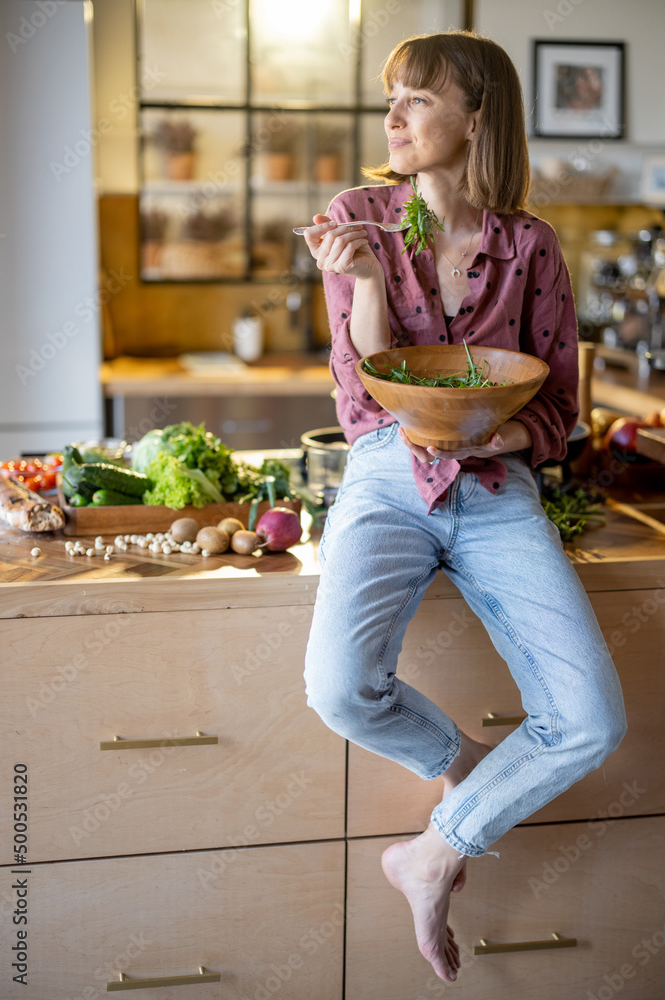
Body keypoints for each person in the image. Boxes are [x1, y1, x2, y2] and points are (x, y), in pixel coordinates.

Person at [302, 30, 627, 984]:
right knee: (336, 689)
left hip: (498, 488)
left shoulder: (531, 246)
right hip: (385, 475)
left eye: (418, 98)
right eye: (390, 97)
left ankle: (435, 852)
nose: (393, 116)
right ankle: (465, 763)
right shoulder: (357, 217)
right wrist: (362, 282)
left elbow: (561, 408)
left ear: (476, 115)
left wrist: (504, 441)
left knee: (589, 722)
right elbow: (364, 395)